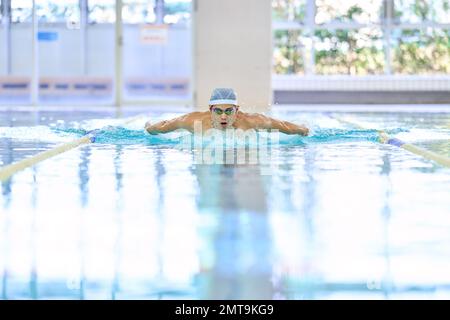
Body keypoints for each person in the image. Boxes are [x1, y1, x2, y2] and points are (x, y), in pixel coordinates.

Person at [145, 88, 309, 136]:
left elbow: (282, 125)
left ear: (237, 110)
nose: (223, 116)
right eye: (218, 111)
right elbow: (165, 125)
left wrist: (302, 130)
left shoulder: (252, 121)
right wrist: (150, 128)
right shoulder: (194, 121)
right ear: (210, 110)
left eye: (229, 111)